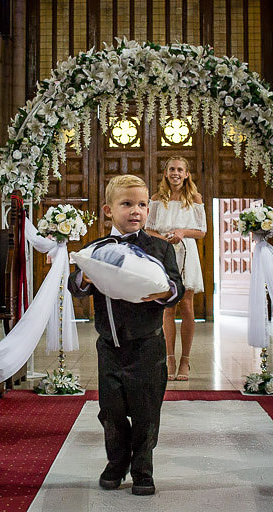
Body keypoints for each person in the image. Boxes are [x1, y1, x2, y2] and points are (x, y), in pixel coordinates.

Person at [68, 174, 184, 496]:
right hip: (110, 347)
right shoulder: (95, 250)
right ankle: (116, 463)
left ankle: (143, 468)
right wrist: (85, 280)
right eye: (127, 204)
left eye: (142, 205)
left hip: (147, 346)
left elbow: (177, 289)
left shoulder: (159, 248)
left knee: (147, 412)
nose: (136, 211)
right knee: (111, 411)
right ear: (108, 210)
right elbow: (75, 285)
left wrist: (163, 292)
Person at [145, 157, 206, 381]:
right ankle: (169, 359)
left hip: (186, 252)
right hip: (163, 252)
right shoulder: (156, 199)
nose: (176, 173)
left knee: (187, 306)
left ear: (187, 174)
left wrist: (182, 232)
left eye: (180, 170)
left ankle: (185, 361)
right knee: (168, 306)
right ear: (166, 172)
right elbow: (148, 229)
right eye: (172, 169)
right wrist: (164, 237)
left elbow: (201, 231)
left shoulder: (195, 198)